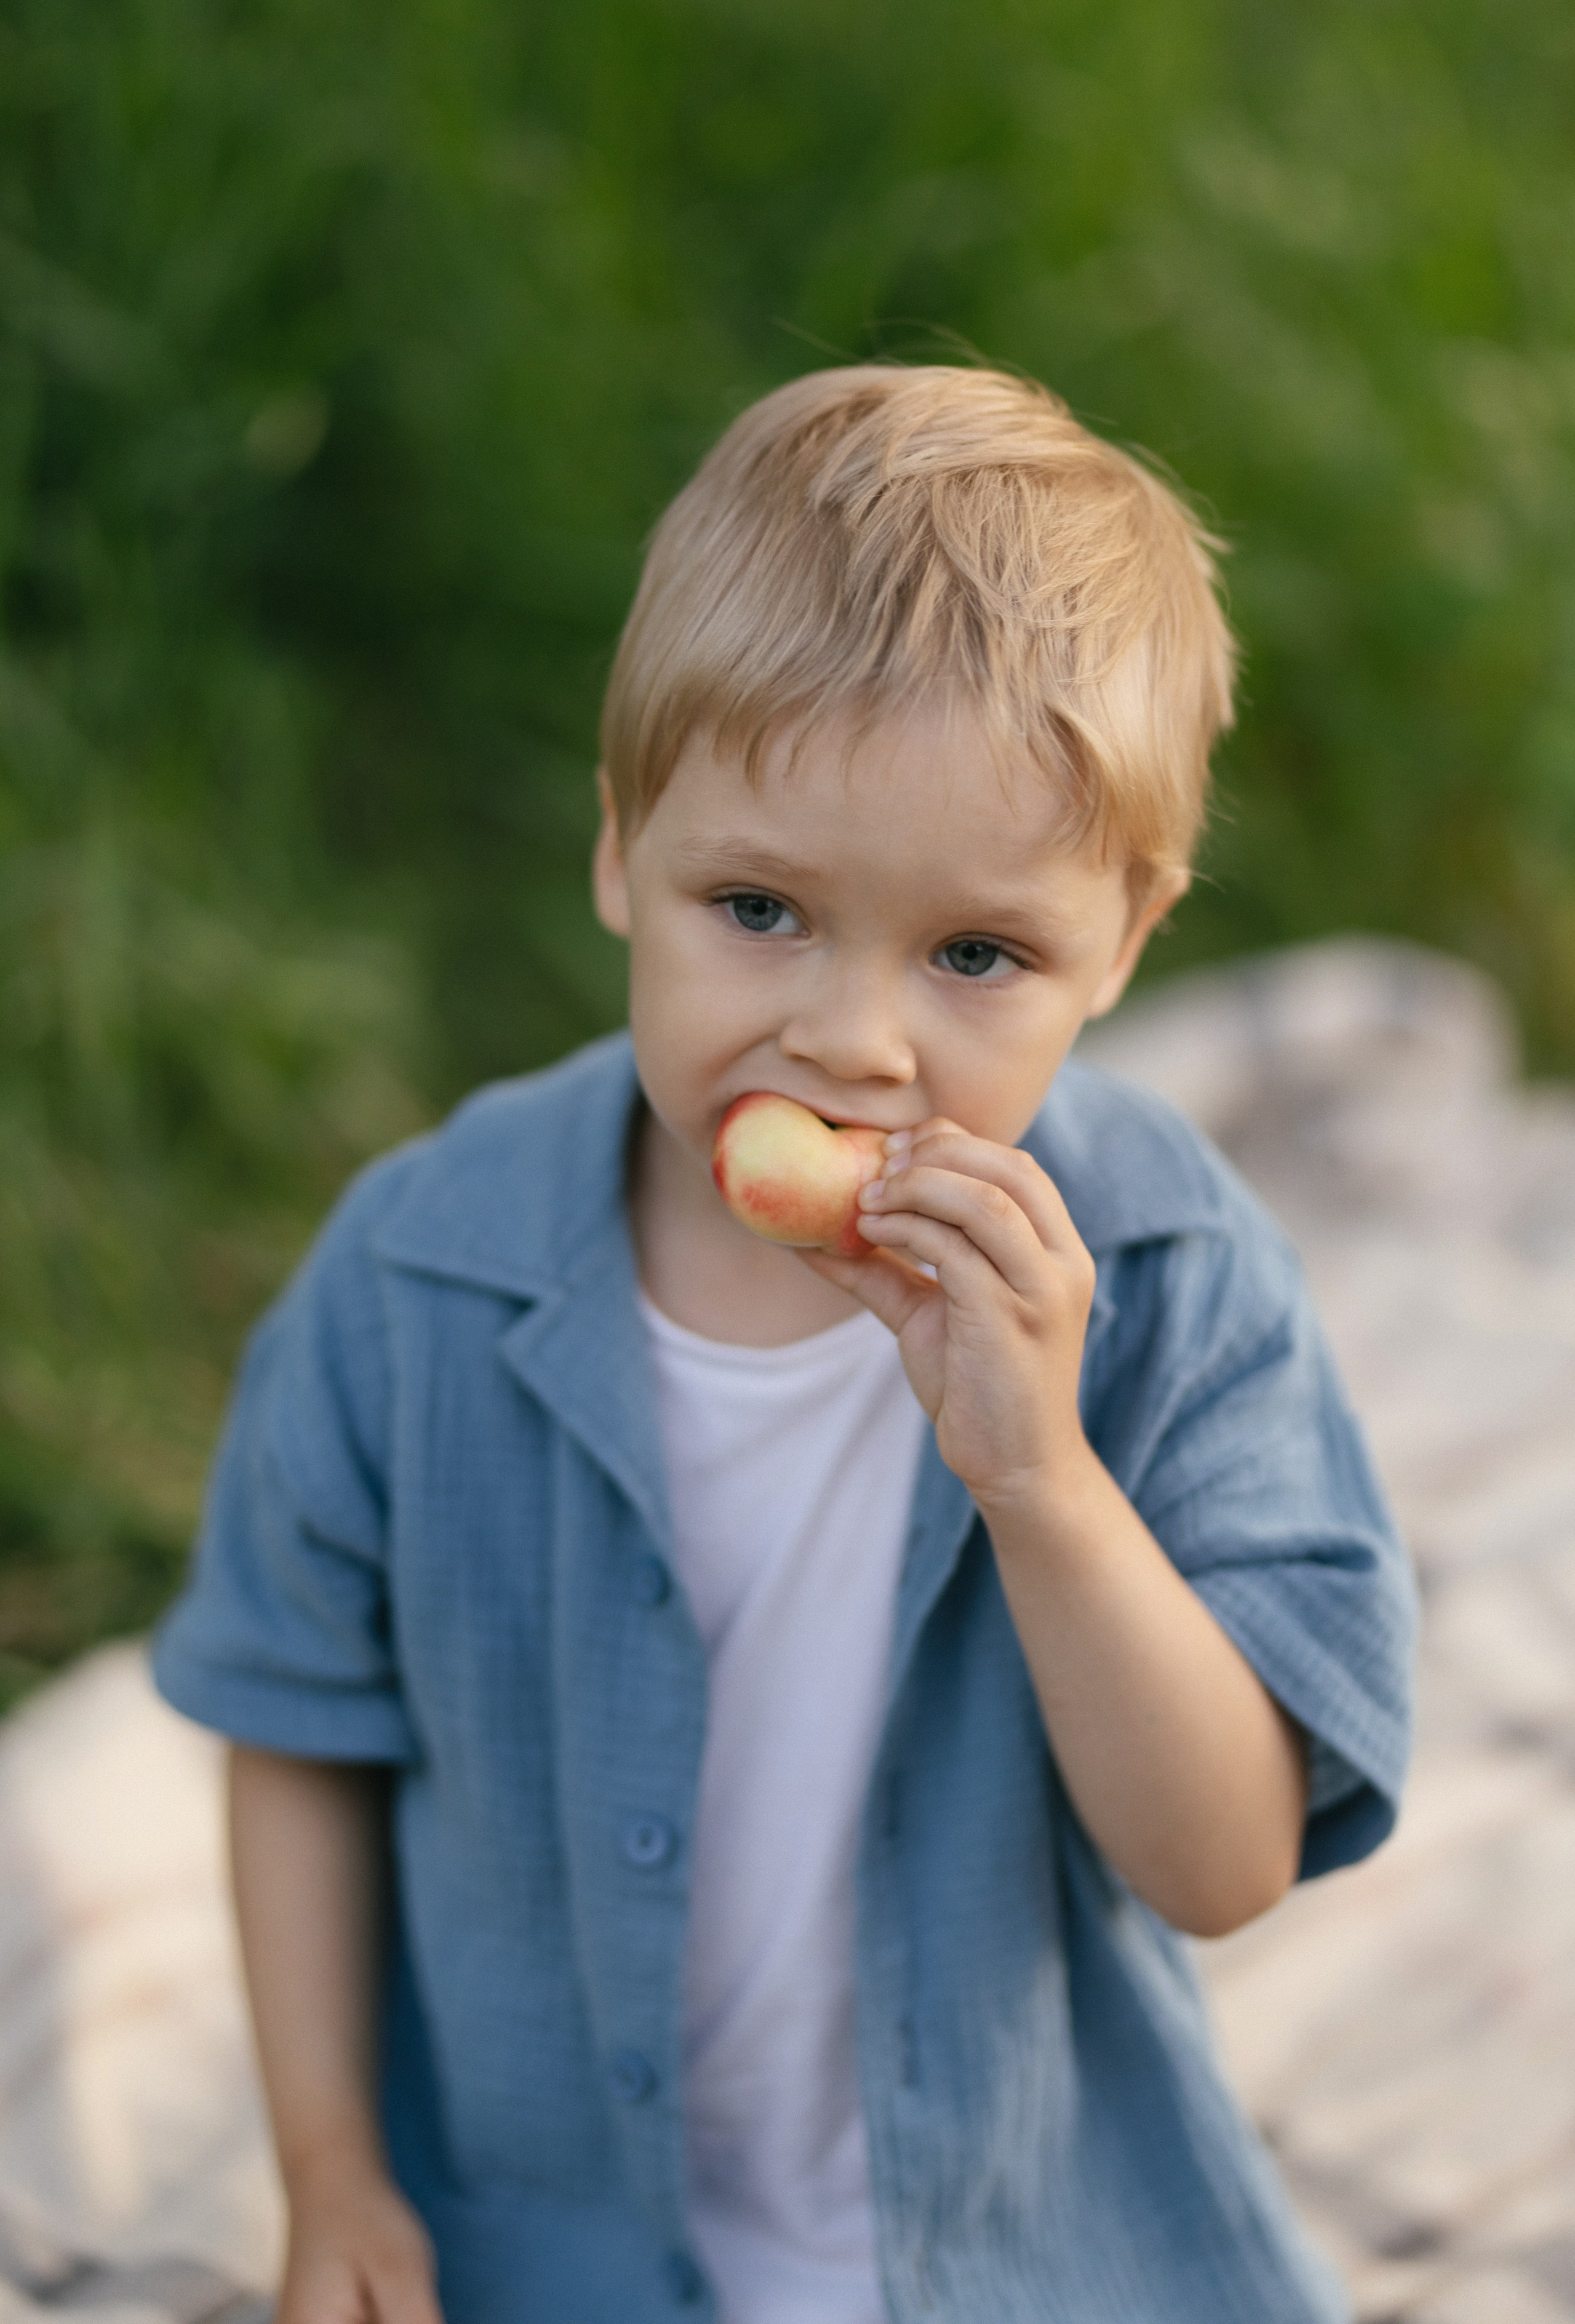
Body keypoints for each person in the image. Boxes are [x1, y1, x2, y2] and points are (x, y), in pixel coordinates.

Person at [153, 364, 1416, 2324]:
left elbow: (1225, 1868)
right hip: (544, 2261)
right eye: (759, 909)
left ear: (1125, 940)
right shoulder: (418, 1280)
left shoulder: (1169, 1277)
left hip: (1033, 2258)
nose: (851, 1041)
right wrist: (330, 2170)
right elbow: (301, 1731)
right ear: (619, 852)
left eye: (976, 955)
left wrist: (1043, 1483)